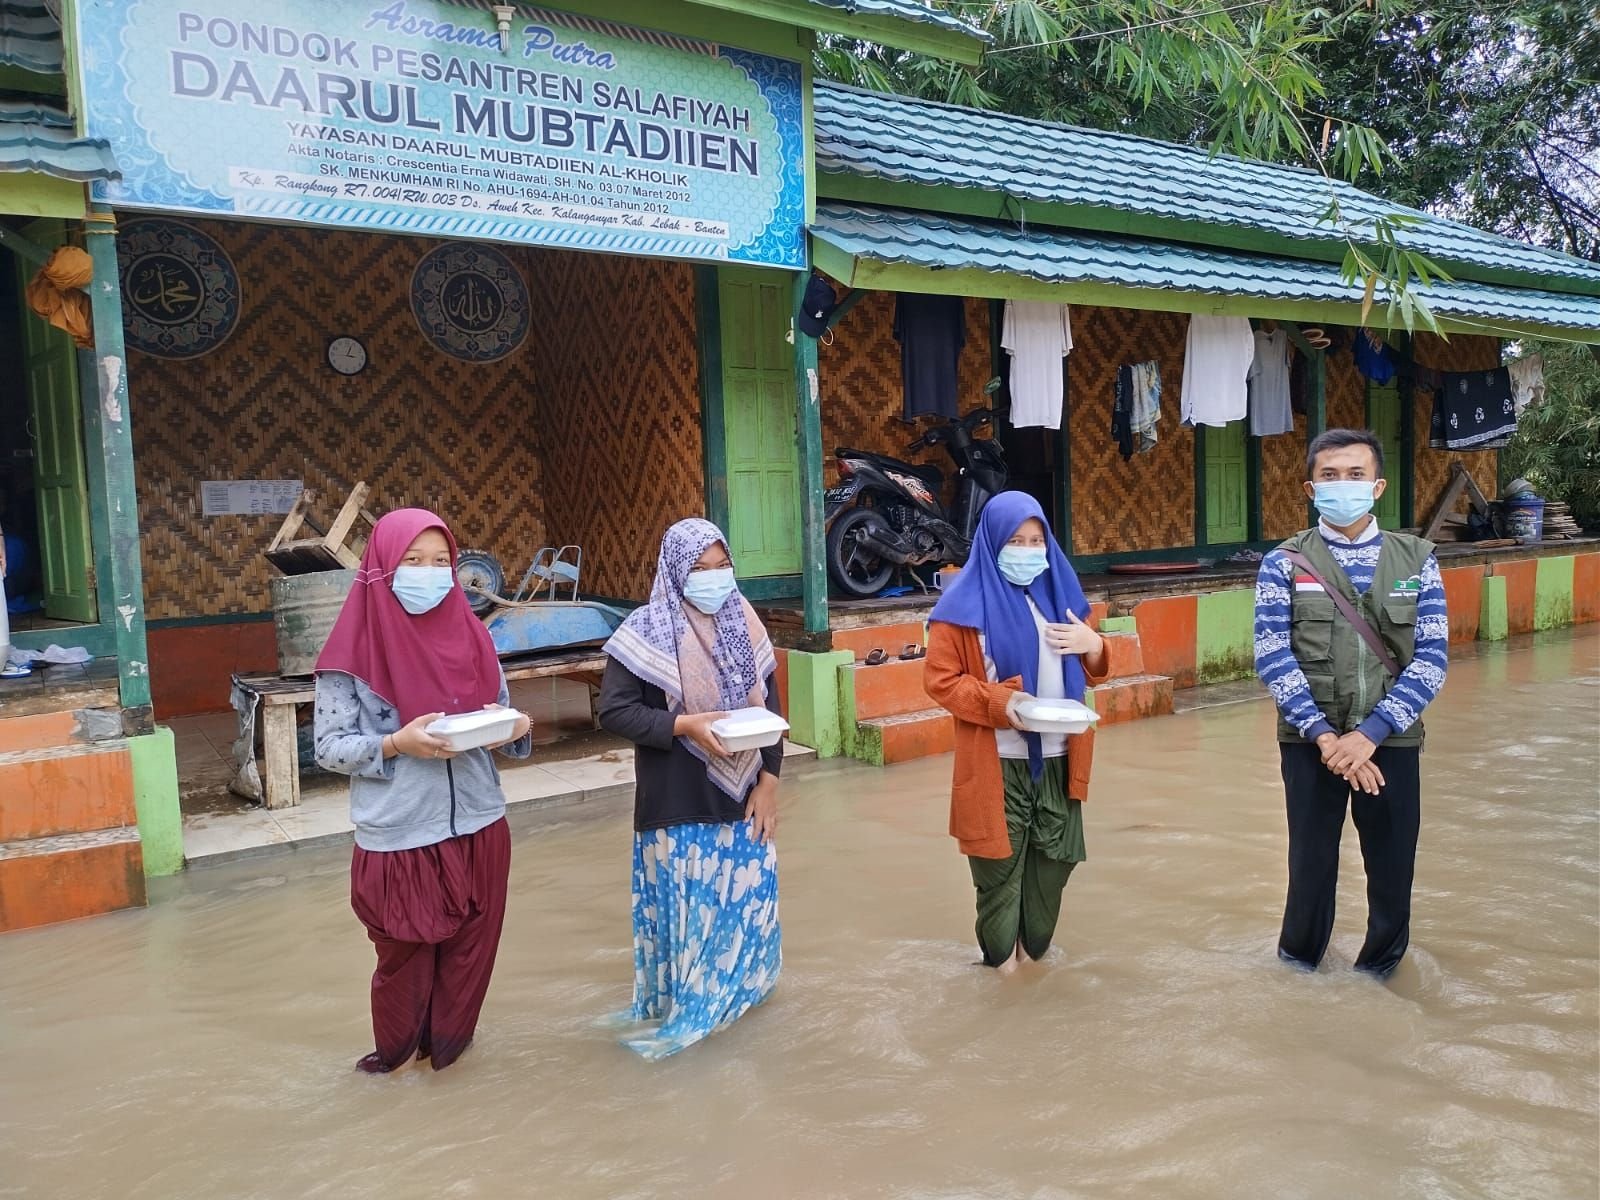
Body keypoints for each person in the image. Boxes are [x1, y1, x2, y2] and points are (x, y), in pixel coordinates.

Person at [314, 508, 531, 1073]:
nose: (429, 573)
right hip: (401, 835)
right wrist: (394, 744)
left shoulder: (475, 637)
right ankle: (394, 1066)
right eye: (412, 561)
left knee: (470, 960)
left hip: (481, 823)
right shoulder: (350, 653)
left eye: (441, 562)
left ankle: (449, 1069)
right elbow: (328, 747)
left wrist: (512, 729)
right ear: (383, 567)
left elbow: (501, 716)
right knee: (404, 964)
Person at [1253, 428, 1448, 978]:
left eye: (1355, 475)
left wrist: (1370, 735)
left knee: (1392, 865)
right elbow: (1272, 654)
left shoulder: (1417, 559)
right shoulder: (1284, 562)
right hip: (1310, 741)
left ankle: (1379, 971)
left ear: (1377, 486)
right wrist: (1325, 736)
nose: (1343, 485)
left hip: (1391, 741)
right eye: (1330, 475)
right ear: (1311, 489)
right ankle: (1298, 967)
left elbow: (1432, 658)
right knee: (1310, 864)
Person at [597, 518, 783, 1059]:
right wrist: (684, 725)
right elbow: (615, 711)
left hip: (744, 800)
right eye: (700, 568)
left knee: (747, 920)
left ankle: (740, 1018)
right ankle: (689, 1021)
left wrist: (770, 781)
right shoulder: (646, 629)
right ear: (676, 571)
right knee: (693, 928)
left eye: (722, 566)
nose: (714, 578)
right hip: (676, 805)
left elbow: (770, 708)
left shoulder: (744, 620)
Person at [924, 492, 1111, 972]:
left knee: (1053, 868)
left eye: (1036, 541)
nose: (1028, 551)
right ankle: (1001, 972)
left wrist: (1093, 644)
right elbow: (941, 682)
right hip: (996, 766)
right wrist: (1003, 703)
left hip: (1059, 761)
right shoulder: (960, 609)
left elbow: (1093, 672)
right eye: (1015, 541)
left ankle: (1032, 966)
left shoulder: (1062, 598)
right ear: (991, 543)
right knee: (998, 878)